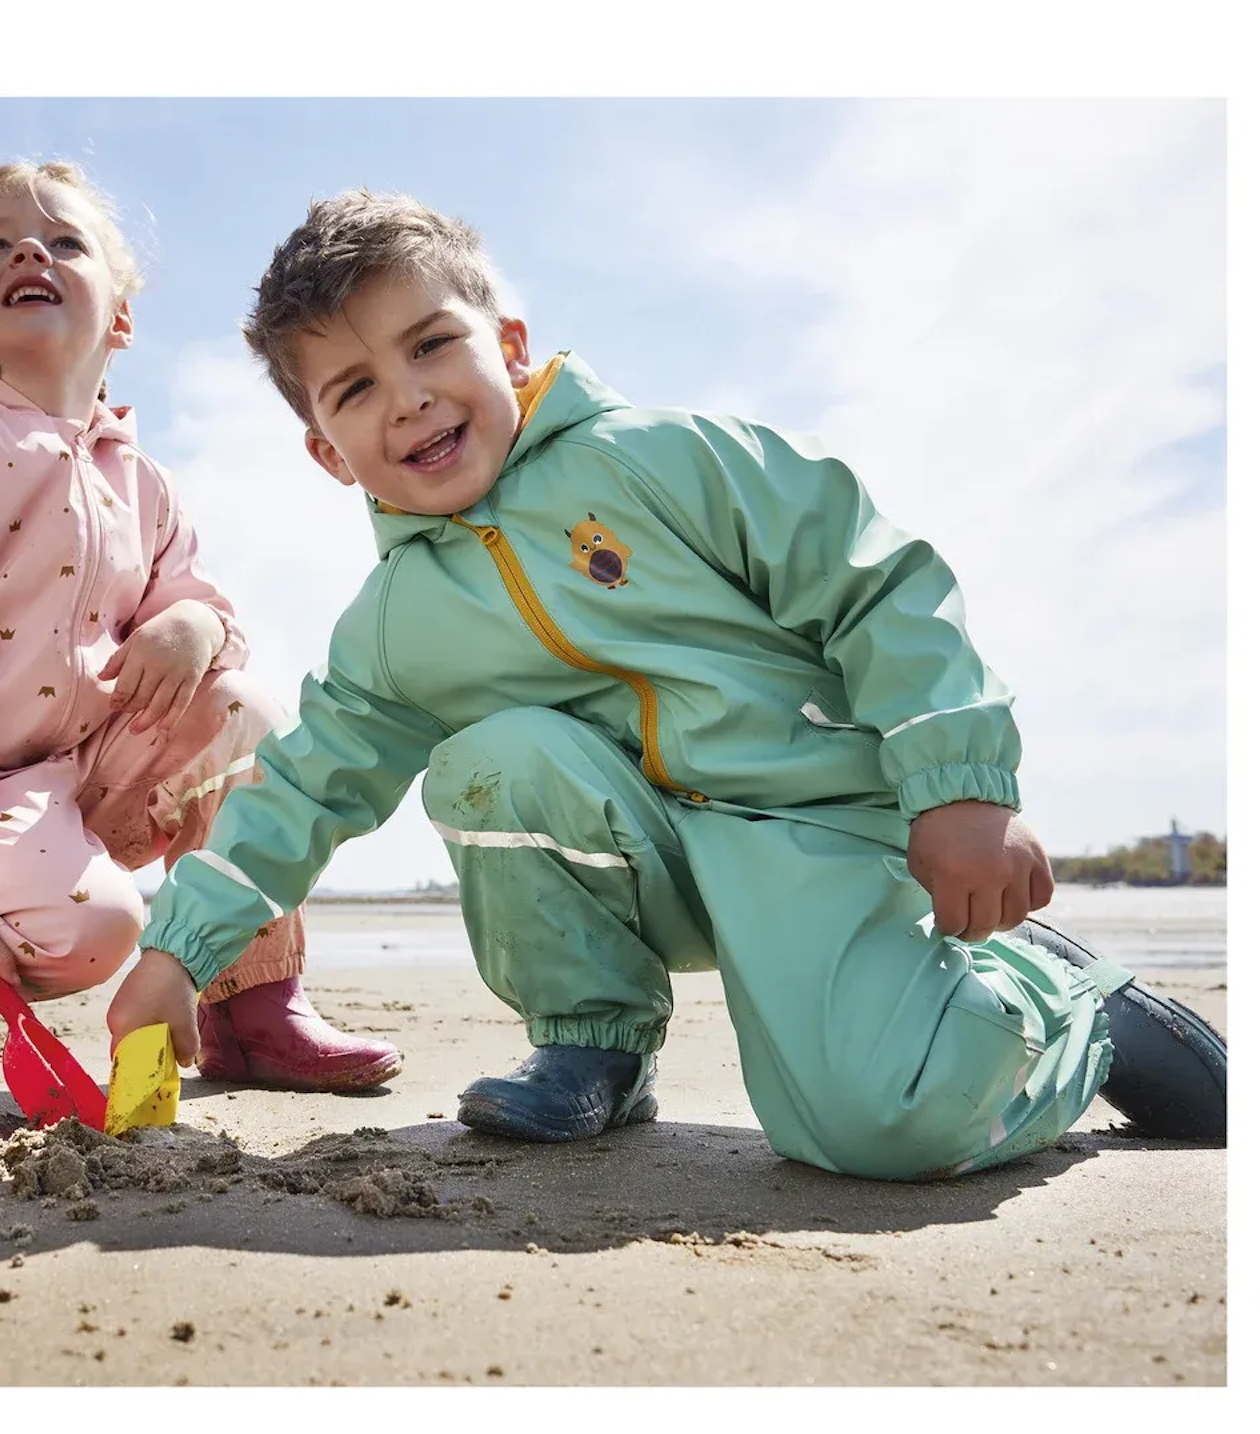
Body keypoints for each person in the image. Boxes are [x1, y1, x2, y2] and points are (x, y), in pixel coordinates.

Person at [107, 189, 1225, 1179]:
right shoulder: (393, 627)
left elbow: (872, 580)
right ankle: (592, 1042)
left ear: (507, 341)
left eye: (431, 345)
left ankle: (1064, 1011)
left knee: (873, 1130)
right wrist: (176, 954)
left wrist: (956, 787)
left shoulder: (657, 458)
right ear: (325, 450)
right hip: (642, 859)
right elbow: (302, 790)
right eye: (353, 388)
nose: (406, 399)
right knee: (489, 762)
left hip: (818, 834)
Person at [0, 162, 400, 1095]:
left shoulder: (143, 482)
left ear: (121, 319)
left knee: (241, 710)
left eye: (64, 242)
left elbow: (206, 605)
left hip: (85, 767)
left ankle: (252, 1002)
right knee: (98, 929)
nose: (28, 250)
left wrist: (189, 624)